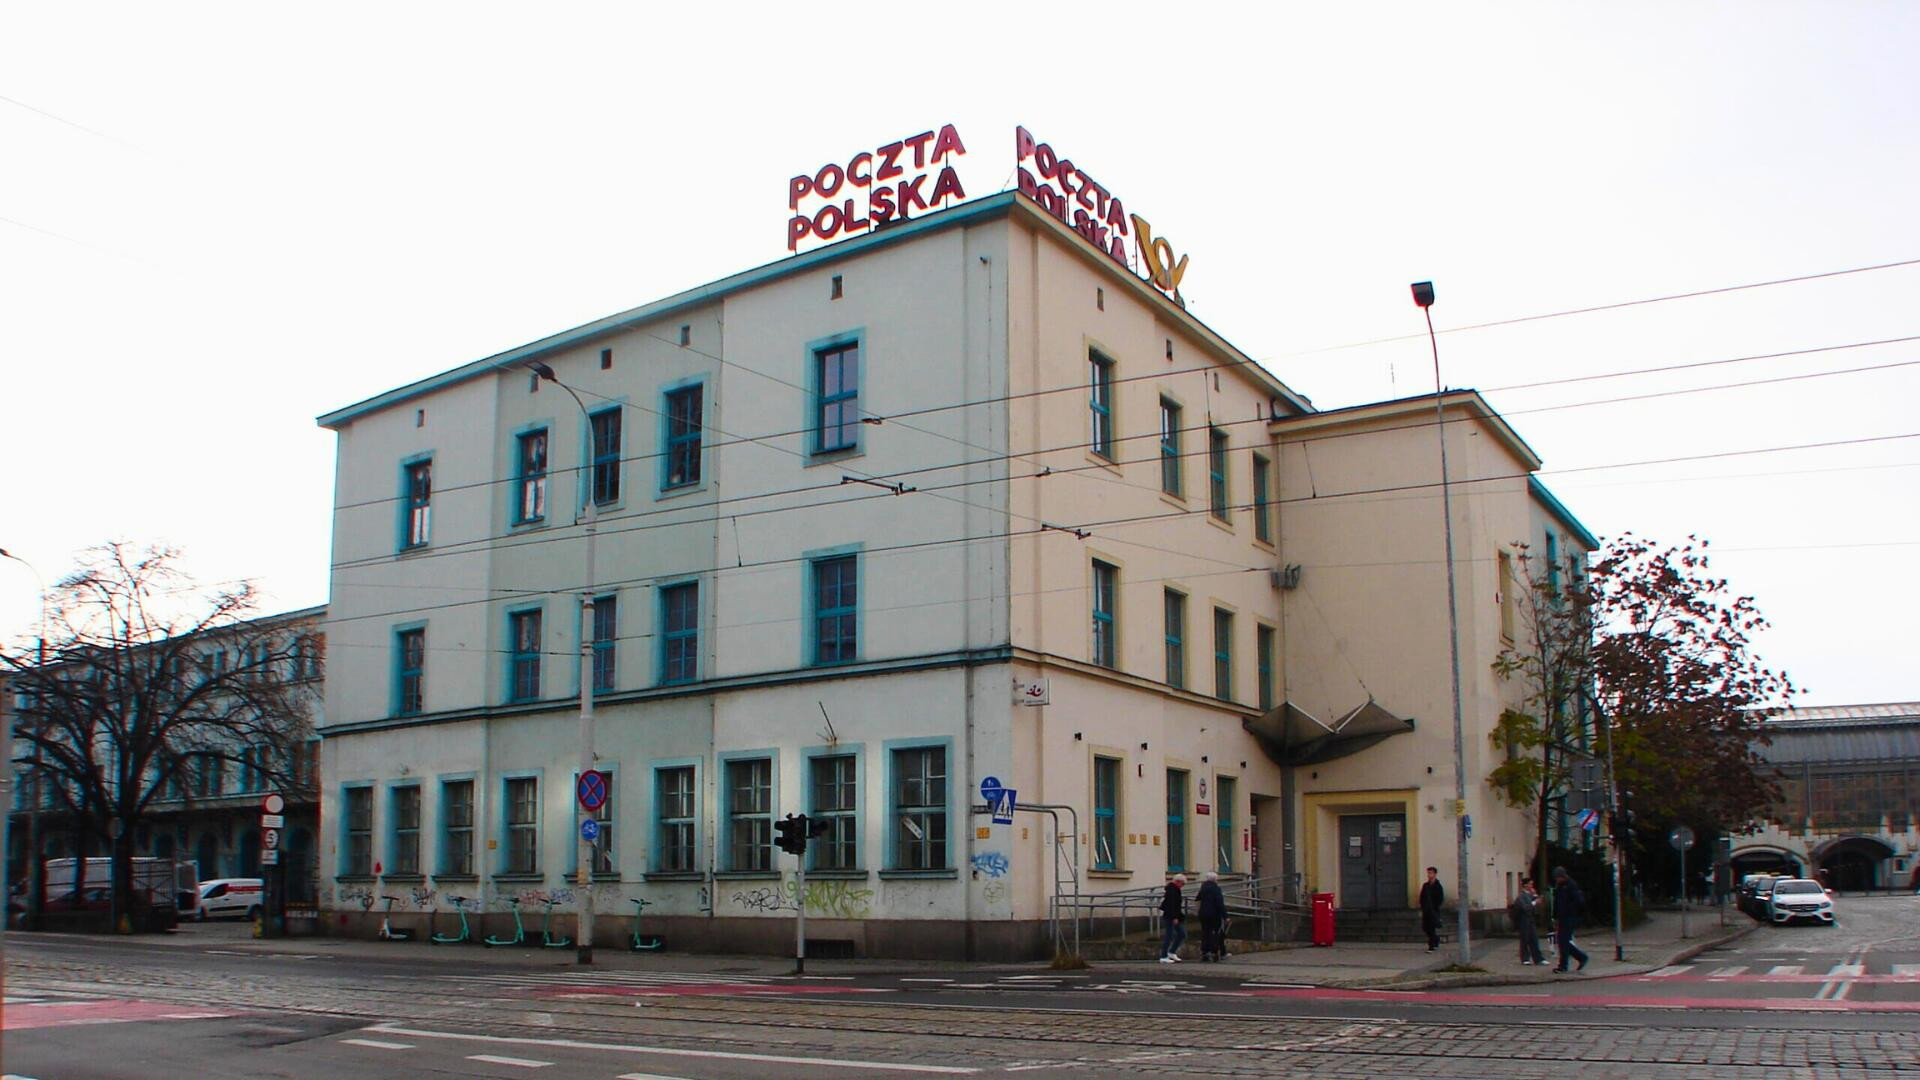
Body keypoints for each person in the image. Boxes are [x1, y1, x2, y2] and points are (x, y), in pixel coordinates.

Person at [1550, 865, 1590, 973]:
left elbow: (1579, 901)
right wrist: (1555, 916)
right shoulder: (1559, 886)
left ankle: (1563, 966)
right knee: (1562, 941)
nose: (1557, 879)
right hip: (1562, 917)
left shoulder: (1571, 885)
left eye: (1558, 877)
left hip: (1570, 917)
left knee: (1563, 941)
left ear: (1562, 876)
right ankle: (1581, 957)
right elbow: (1556, 902)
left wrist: (1569, 911)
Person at [1509, 878, 1546, 966]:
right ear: (1525, 885)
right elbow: (1525, 908)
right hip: (1523, 920)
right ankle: (1525, 958)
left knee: (1534, 939)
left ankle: (1538, 959)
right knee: (1525, 939)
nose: (1531, 886)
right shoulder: (1521, 896)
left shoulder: (1530, 895)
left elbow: (1538, 901)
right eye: (1530, 884)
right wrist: (1534, 902)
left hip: (1531, 920)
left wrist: (1535, 895)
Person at [1196, 871, 1228, 961]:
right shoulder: (1216, 889)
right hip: (1214, 914)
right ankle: (1214, 951)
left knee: (1205, 932)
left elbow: (1197, 898)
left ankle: (1205, 952)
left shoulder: (1203, 888)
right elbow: (1219, 903)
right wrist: (1225, 916)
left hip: (1203, 914)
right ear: (1215, 879)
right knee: (1216, 933)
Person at [1157, 874, 1187, 963]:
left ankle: (1171, 952)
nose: (1182, 886)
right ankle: (1164, 956)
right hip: (1171, 916)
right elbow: (1172, 904)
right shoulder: (1172, 890)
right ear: (1178, 882)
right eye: (1182, 884)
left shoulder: (1174, 889)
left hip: (1173, 915)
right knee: (1169, 935)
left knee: (1181, 934)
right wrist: (1174, 917)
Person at [1418, 866, 1445, 952]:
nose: (1429, 875)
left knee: (1431, 927)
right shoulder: (1425, 885)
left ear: (1435, 874)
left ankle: (1431, 946)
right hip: (1426, 910)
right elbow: (1422, 897)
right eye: (1428, 873)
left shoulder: (1438, 886)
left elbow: (1440, 898)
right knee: (1425, 928)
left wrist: (1436, 906)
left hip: (1434, 910)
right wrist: (1422, 907)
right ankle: (1436, 939)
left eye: (1431, 873)